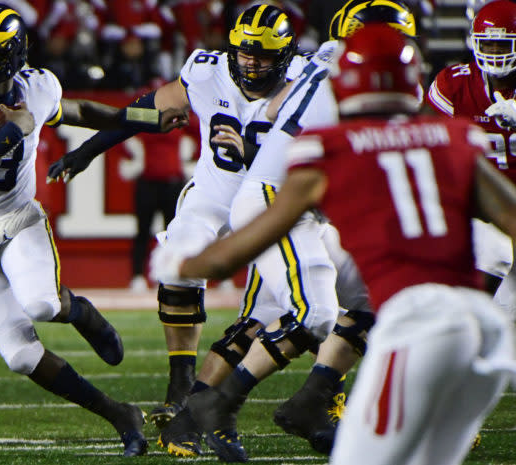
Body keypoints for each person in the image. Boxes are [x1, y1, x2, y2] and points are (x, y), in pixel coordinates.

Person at [152, 24, 516, 465]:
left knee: (318, 318)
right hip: (485, 332)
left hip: (417, 327)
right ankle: (310, 396)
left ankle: (225, 402)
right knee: (352, 307)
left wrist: (185, 262)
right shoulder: (457, 140)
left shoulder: (334, 146)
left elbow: (246, 240)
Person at [0, 3, 185, 456]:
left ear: (15, 52)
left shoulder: (38, 86)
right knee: (20, 356)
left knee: (40, 303)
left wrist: (144, 121)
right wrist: (9, 133)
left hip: (18, 222)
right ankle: (119, 413)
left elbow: (78, 109)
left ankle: (80, 312)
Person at [48, 3, 306, 430]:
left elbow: (322, 150)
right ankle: (181, 387)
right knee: (177, 264)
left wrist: (255, 152)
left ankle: (321, 395)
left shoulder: (307, 82)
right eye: (245, 53)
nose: (252, 63)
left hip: (272, 199)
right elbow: (146, 109)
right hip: (214, 192)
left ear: (285, 54)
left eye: (263, 55)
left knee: (296, 304)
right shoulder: (208, 72)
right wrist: (88, 149)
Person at [426, 0, 516, 319]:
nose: (494, 52)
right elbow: (429, 144)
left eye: (502, 44)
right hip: (485, 209)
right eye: (488, 43)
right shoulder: (455, 83)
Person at [120, 120, 195, 292]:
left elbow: (200, 130)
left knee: (172, 232)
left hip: (172, 183)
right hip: (148, 183)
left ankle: (169, 273)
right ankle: (138, 276)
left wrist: (189, 159)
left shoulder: (179, 122)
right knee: (142, 231)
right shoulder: (146, 122)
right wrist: (133, 160)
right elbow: (122, 131)